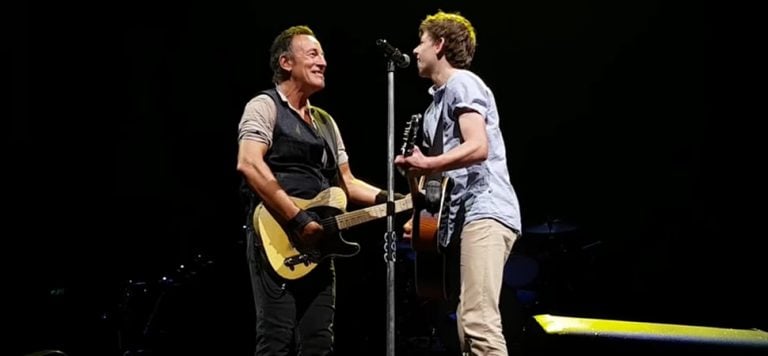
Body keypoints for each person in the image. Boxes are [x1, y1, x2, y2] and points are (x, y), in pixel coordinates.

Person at [236, 25, 398, 355]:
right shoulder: (264, 106)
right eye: (313, 54)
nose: (323, 62)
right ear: (285, 62)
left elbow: (348, 184)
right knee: (275, 338)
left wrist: (395, 200)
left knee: (319, 341)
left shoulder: (325, 121)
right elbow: (249, 164)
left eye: (323, 55)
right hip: (276, 234)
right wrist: (297, 220)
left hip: (318, 244)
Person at [395, 11, 522, 356]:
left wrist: (428, 162)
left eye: (421, 41)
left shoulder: (463, 83)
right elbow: (439, 177)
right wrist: (417, 207)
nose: (415, 50)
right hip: (463, 216)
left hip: (486, 209)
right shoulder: (434, 106)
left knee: (478, 321)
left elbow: (477, 146)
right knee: (467, 326)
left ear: (439, 44)